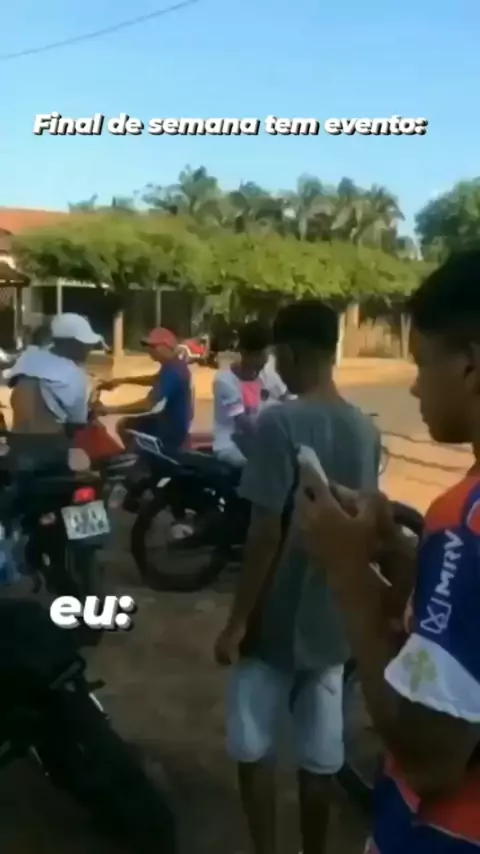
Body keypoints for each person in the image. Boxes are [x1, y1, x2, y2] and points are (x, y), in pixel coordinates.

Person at [296, 251, 480, 853]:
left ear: (471, 364)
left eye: (423, 362)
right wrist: (403, 560)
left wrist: (347, 574)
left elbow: (431, 759)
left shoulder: (466, 519)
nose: (415, 385)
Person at [214, 300, 381, 854]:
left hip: (275, 616)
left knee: (253, 747)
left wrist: (238, 622)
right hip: (332, 618)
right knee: (321, 757)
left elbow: (264, 533)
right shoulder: (364, 429)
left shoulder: (278, 422)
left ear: (287, 352)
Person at [8, 313, 103, 433]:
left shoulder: (28, 358)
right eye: (85, 344)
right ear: (72, 344)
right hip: (52, 441)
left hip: (16, 437)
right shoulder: (73, 374)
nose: (89, 349)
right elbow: (78, 422)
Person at [101, 327, 193, 450]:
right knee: (128, 424)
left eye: (153, 346)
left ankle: (140, 459)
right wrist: (121, 381)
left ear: (166, 347)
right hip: (171, 422)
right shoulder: (173, 365)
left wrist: (109, 410)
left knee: (124, 426)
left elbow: (148, 404)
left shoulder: (174, 371)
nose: (149, 350)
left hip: (172, 430)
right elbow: (154, 379)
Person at [212, 322, 286, 467]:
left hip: (257, 445)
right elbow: (243, 423)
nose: (264, 360)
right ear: (244, 352)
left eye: (266, 355)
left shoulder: (267, 376)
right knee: (256, 467)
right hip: (230, 446)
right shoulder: (224, 381)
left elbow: (287, 401)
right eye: (259, 355)